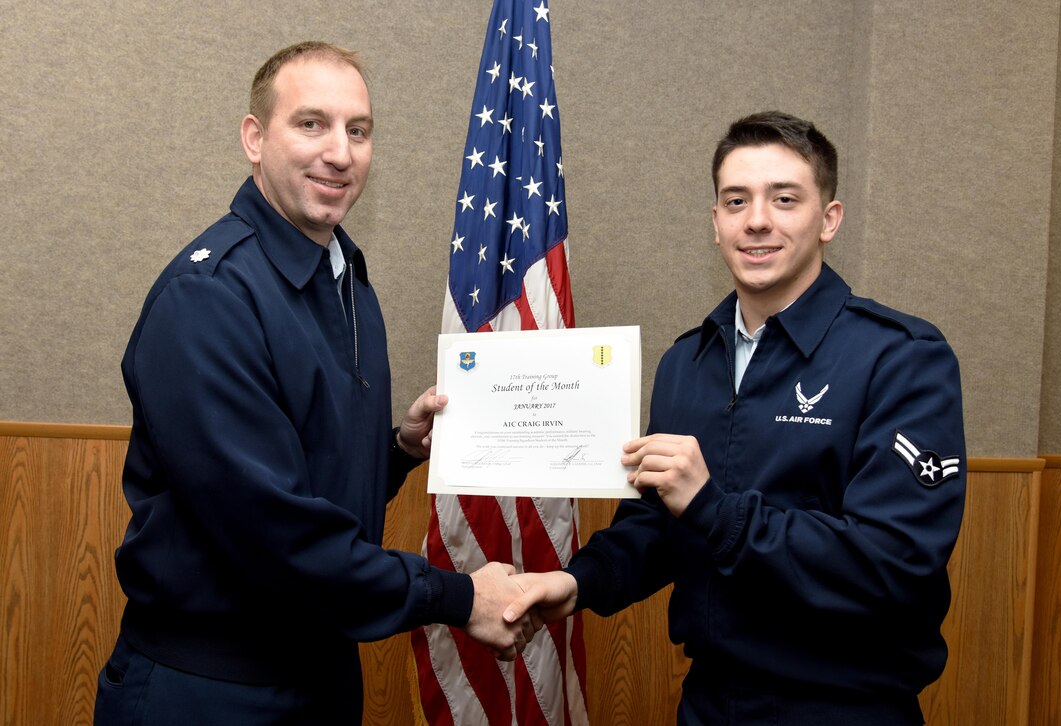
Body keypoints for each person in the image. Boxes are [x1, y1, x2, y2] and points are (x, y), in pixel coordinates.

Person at [94, 41, 532, 725]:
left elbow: (306, 474)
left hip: (320, 675)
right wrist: (459, 598)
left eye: (358, 131)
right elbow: (276, 533)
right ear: (254, 138)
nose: (339, 152)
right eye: (311, 124)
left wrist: (398, 449)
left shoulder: (346, 281)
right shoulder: (209, 298)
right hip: (212, 689)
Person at [506, 111, 966, 725]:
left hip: (842, 707)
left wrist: (715, 509)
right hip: (708, 701)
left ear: (829, 219)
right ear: (716, 223)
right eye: (736, 200)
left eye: (785, 199)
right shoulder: (686, 362)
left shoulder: (900, 358)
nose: (756, 220)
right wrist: (578, 582)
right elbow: (658, 524)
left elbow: (893, 562)